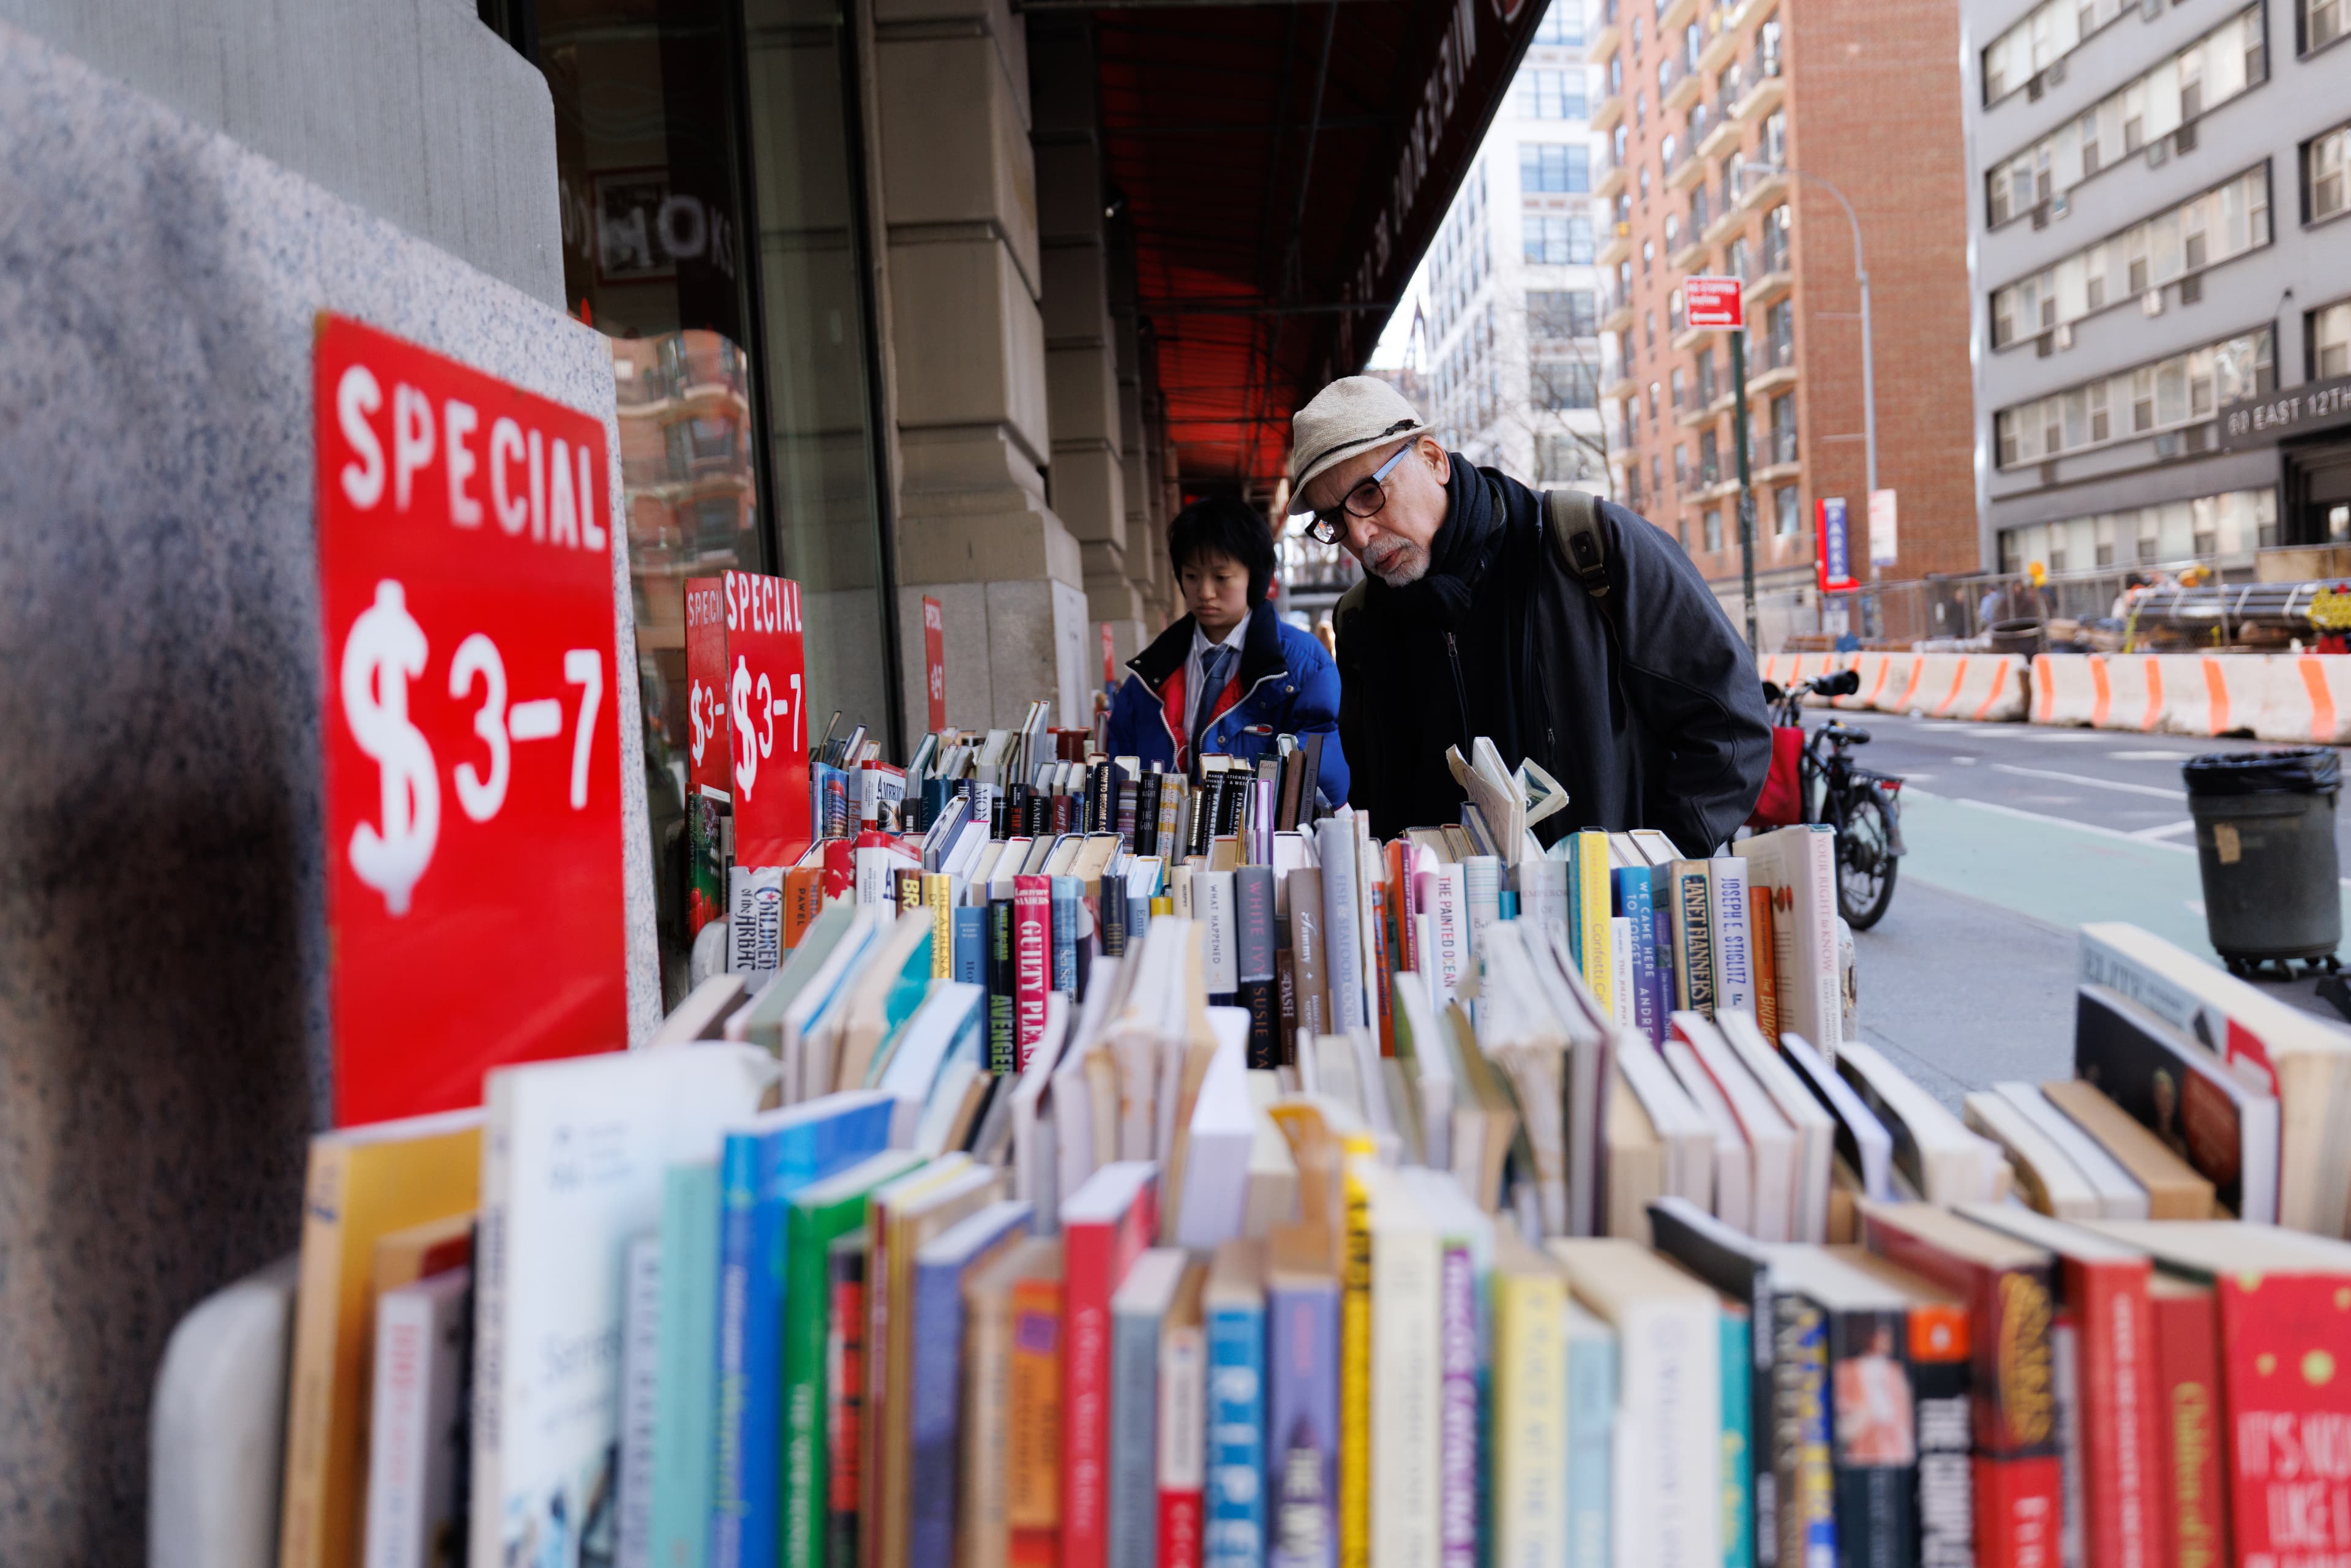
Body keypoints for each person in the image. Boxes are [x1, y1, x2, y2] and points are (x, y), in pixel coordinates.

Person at [1286, 377, 1768, 850]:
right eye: (1334, 521)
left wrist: (1650, 864)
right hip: (1449, 920)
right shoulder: (1361, 621)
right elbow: (1379, 795)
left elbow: (1730, 725)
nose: (1361, 536)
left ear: (1433, 459)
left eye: (1370, 494)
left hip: (1609, 914)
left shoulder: (1587, 545)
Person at [1107, 495, 1350, 807]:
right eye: (1192, 576)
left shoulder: (1303, 662)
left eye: (1221, 578)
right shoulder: (1151, 671)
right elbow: (1118, 766)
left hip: (1262, 846)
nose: (1205, 593)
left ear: (1256, 576)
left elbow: (1325, 771)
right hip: (1163, 846)